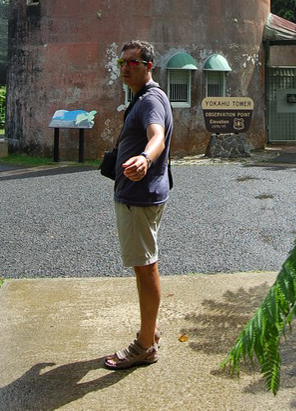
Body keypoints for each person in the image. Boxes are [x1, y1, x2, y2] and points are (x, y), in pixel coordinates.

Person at [104, 40, 173, 370]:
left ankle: (145, 346)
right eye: (122, 62)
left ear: (149, 66)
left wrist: (146, 158)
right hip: (139, 195)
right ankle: (151, 331)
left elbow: (156, 134)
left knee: (146, 268)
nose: (125, 67)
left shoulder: (150, 100)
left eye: (132, 62)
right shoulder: (142, 98)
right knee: (144, 264)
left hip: (139, 197)